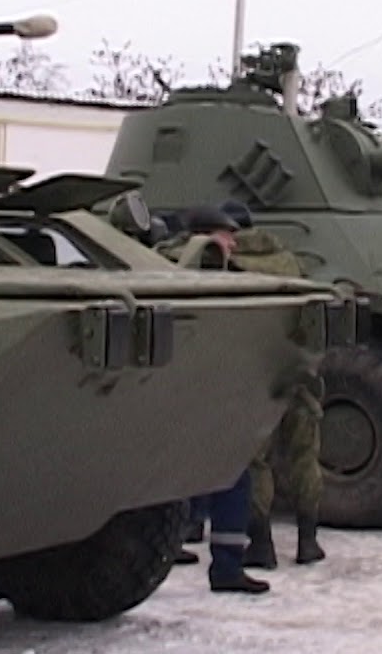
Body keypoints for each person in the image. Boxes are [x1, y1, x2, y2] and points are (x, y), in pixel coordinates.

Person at [156, 205, 271, 594]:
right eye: (226, 235)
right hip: (192, 392)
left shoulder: (195, 270)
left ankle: (210, 555)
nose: (233, 242)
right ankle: (222, 564)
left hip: (207, 391)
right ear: (203, 236)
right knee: (228, 475)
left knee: (217, 477)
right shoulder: (179, 273)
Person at [213, 200, 328, 570]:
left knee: (255, 462)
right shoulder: (287, 258)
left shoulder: (227, 262)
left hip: (253, 373)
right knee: (304, 456)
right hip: (297, 367)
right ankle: (308, 540)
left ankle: (261, 544)